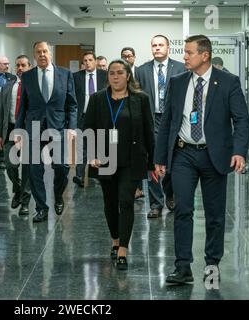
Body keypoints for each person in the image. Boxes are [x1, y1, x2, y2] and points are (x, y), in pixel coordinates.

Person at [154, 35, 249, 284]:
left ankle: (212, 264)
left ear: (204, 55)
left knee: (215, 214)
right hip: (183, 153)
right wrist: (160, 157)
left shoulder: (228, 82)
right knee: (182, 209)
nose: (184, 57)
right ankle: (183, 266)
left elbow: (241, 119)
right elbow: (167, 122)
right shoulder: (177, 82)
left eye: (189, 53)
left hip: (214, 155)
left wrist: (239, 151)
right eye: (184, 52)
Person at [83, 59, 154, 270]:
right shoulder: (97, 99)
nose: (115, 76)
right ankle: (115, 240)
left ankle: (123, 249)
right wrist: (92, 155)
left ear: (128, 75)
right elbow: (88, 129)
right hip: (106, 159)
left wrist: (153, 162)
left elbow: (148, 131)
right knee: (110, 203)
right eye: (112, 73)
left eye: (120, 73)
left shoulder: (140, 99)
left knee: (126, 202)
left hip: (132, 159)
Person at [15, 41, 78, 223]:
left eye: (44, 51)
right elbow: (22, 108)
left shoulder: (65, 74)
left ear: (50, 53)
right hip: (34, 128)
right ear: (34, 55)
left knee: (61, 167)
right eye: (38, 52)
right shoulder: (27, 76)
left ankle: (58, 195)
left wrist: (72, 128)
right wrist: (19, 132)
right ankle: (42, 207)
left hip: (57, 126)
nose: (42, 55)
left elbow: (72, 104)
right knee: (35, 170)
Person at [136, 35, 186, 218]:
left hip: (174, 121)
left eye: (160, 45)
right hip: (151, 120)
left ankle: (170, 193)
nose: (157, 48)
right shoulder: (141, 71)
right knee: (152, 163)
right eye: (154, 45)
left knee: (174, 161)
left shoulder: (181, 68)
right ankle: (156, 203)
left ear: (168, 47)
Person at [0, 55, 32, 216]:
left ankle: (25, 201)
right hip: (10, 130)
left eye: (23, 65)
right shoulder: (7, 87)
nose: (20, 68)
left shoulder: (35, 87)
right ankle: (17, 190)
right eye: (17, 65)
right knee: (11, 166)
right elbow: (1, 112)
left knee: (27, 168)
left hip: (29, 131)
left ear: (30, 67)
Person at [72, 51, 108, 187]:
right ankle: (79, 175)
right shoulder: (76, 76)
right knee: (82, 146)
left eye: (90, 60)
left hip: (100, 116)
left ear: (95, 61)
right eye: (85, 60)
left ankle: (98, 174)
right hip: (83, 116)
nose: (87, 62)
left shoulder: (104, 75)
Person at [120, 46, 144, 200]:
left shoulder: (141, 72)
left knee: (139, 153)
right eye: (124, 56)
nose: (126, 58)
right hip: (123, 118)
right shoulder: (118, 72)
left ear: (134, 57)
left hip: (138, 117)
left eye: (129, 56)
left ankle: (139, 188)